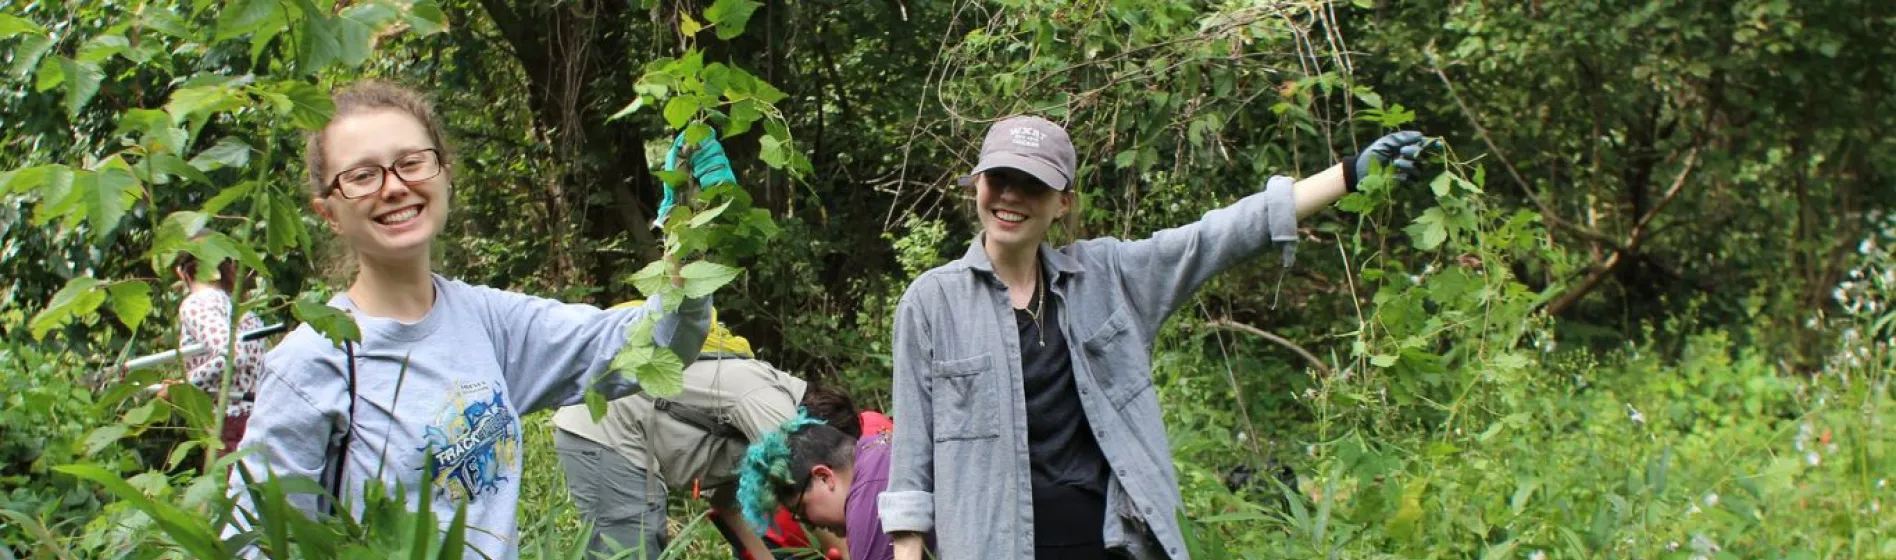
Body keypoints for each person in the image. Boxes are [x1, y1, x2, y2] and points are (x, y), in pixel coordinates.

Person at [879, 116, 1433, 559]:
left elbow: (1213, 238)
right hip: (988, 545)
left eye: (1033, 184)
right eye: (999, 180)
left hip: (1108, 542)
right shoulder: (931, 303)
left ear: (1063, 201)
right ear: (976, 184)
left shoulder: (1109, 277)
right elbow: (912, 457)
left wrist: (1349, 175)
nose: (1011, 197)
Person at [229, 80, 712, 560]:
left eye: (411, 162)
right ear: (329, 213)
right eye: (361, 176)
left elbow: (648, 347)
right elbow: (252, 543)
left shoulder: (486, 321)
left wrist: (689, 237)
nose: (394, 187)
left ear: (444, 175)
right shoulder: (312, 361)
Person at [550, 308, 849, 560]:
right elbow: (813, 500)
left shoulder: (766, 428)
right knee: (632, 546)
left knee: (643, 541)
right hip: (604, 425)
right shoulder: (776, 408)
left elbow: (729, 506)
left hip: (612, 431)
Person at [735, 412, 908, 560]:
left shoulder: (865, 511)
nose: (810, 526)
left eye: (802, 512)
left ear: (824, 477)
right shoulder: (878, 445)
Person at [167, 230, 267, 457]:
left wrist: (184, 387)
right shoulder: (244, 312)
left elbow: (232, 355)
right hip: (257, 420)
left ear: (183, 273)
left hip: (229, 423)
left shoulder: (198, 304)